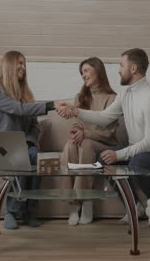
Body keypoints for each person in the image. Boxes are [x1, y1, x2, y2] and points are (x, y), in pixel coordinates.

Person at [57, 48, 150, 224]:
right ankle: (133, 206)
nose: (119, 70)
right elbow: (104, 118)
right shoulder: (125, 94)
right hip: (135, 151)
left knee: (136, 163)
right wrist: (75, 111)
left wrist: (119, 154)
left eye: (121, 65)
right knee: (103, 161)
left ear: (133, 69)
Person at [0, 50, 57, 229]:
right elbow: (17, 109)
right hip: (3, 146)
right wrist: (51, 105)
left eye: (24, 64)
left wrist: (29, 141)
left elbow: (34, 125)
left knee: (36, 155)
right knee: (18, 156)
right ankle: (12, 210)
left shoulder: (27, 94)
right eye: (19, 63)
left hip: (24, 144)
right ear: (9, 65)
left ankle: (29, 210)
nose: (23, 67)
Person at [60, 57, 118, 226]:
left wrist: (86, 134)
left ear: (98, 70)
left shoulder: (112, 98)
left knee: (85, 143)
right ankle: (73, 205)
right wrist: (77, 132)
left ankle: (86, 201)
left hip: (104, 144)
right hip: (84, 142)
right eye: (81, 72)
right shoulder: (81, 97)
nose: (83, 75)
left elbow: (108, 132)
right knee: (71, 144)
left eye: (86, 70)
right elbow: (77, 124)